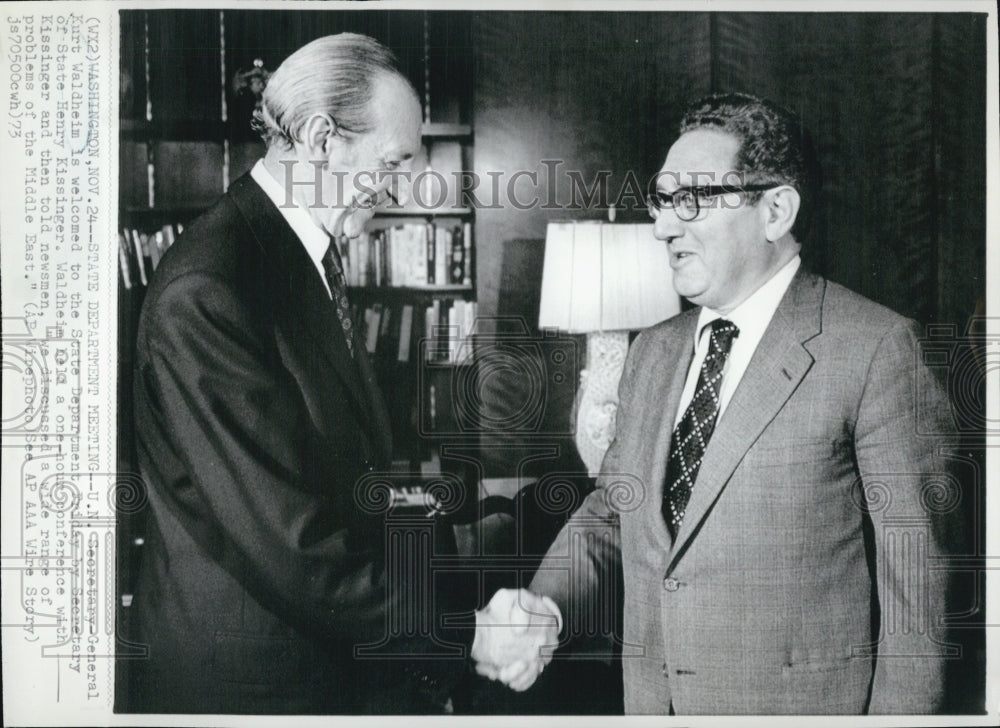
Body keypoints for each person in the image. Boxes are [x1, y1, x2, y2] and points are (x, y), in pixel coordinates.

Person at [481, 93, 962, 714]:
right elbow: (612, 510)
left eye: (691, 200)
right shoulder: (653, 352)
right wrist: (545, 603)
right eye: (661, 199)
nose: (662, 226)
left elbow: (916, 594)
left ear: (776, 210)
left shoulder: (875, 349)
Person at [130, 32, 557, 714]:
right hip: (255, 687)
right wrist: (467, 637)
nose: (401, 188)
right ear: (323, 139)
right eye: (392, 163)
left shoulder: (294, 252)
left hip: (322, 667)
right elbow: (293, 544)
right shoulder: (211, 289)